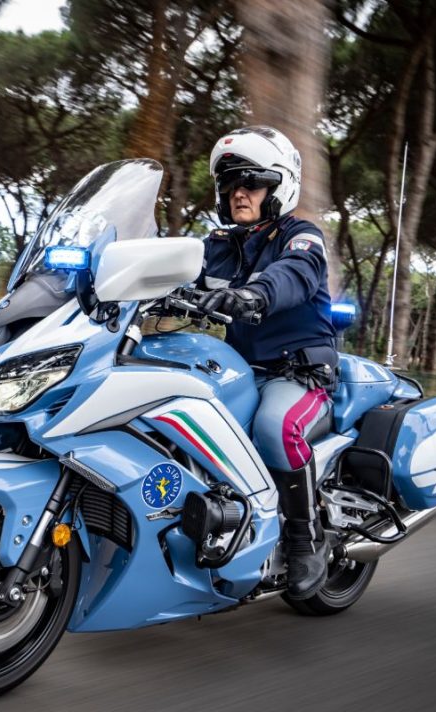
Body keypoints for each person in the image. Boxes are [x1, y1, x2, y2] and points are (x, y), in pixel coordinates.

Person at [194, 125, 338, 600]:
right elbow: (172, 272)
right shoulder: (218, 245)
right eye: (230, 183)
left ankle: (306, 538)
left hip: (297, 371)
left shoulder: (301, 236)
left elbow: (293, 275)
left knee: (275, 427)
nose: (239, 193)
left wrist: (253, 294)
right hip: (239, 370)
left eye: (252, 182)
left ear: (279, 187)